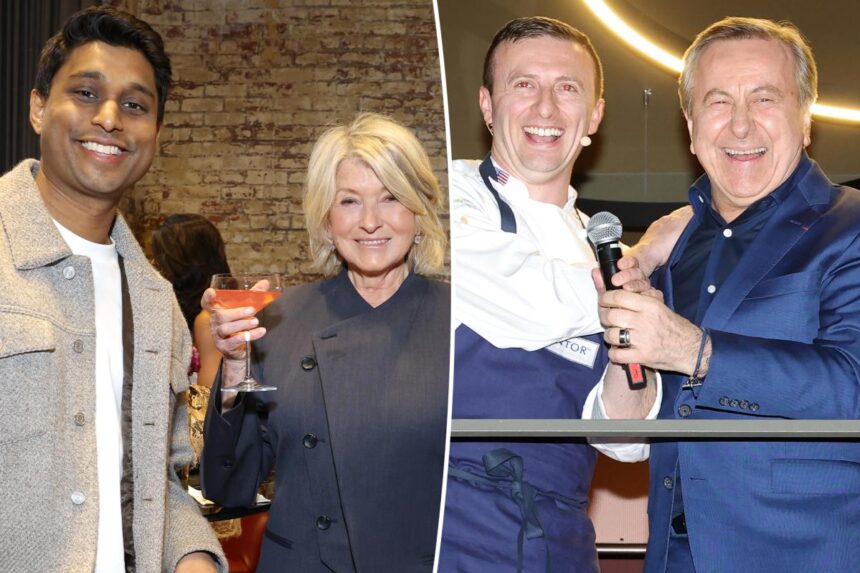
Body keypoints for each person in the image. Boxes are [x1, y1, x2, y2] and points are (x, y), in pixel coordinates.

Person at [592, 17, 860, 573]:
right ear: (691, 127)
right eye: (718, 102)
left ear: (805, 118)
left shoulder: (850, 225)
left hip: (806, 557)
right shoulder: (672, 247)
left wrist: (696, 352)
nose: (740, 124)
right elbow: (645, 418)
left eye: (765, 98)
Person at [438, 16, 681, 572]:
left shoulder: (600, 243)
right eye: (524, 84)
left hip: (557, 539)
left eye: (567, 88)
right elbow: (528, 297)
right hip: (449, 525)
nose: (546, 108)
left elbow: (625, 441)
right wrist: (642, 262)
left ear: (594, 115)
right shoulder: (445, 194)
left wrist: (630, 345)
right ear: (486, 105)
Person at [0, 6, 224, 573]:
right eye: (85, 93)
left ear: (156, 134)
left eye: (134, 106)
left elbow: (154, 485)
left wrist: (194, 558)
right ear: (38, 107)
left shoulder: (155, 302)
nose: (109, 118)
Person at [200, 112, 450, 572]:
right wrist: (235, 367)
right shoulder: (278, 321)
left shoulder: (458, 324)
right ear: (327, 219)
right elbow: (227, 486)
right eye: (349, 201)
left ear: (420, 212)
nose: (370, 222)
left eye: (391, 198)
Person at [152, 213, 231, 389]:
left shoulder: (208, 319)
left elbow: (208, 394)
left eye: (160, 257)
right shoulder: (196, 309)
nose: (154, 264)